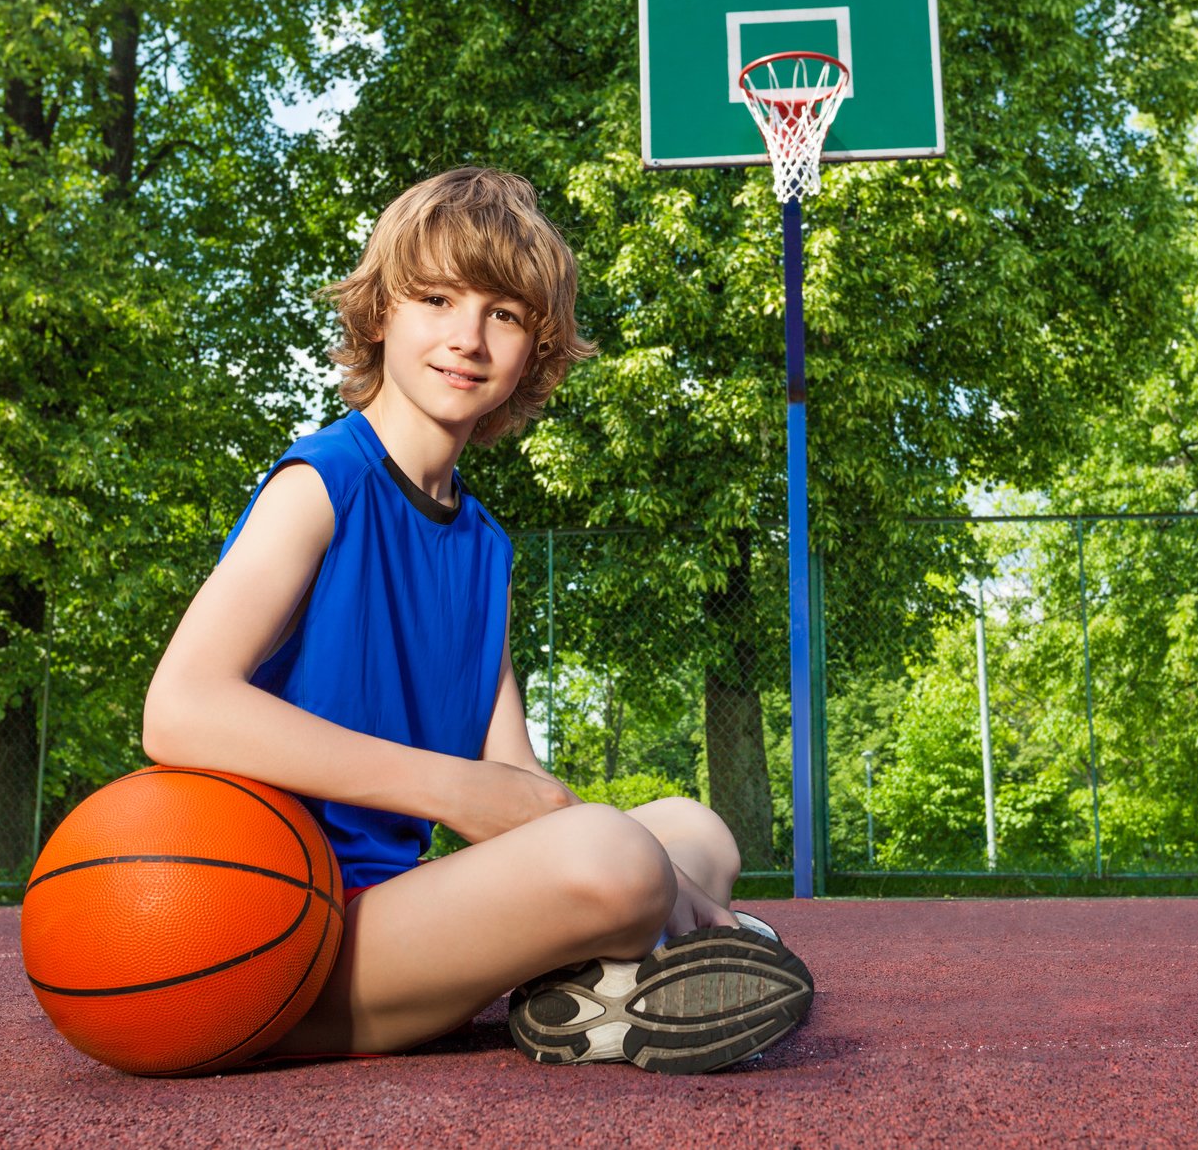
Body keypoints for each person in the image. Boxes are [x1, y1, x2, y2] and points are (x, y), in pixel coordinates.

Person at [142, 166, 813, 1074]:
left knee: (694, 829)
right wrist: (453, 794)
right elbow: (177, 708)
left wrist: (672, 873)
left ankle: (594, 992)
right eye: (437, 299)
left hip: (403, 916)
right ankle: (613, 969)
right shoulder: (320, 485)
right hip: (280, 929)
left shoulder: (485, 546)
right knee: (618, 857)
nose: (467, 336)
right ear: (380, 313)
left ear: (535, 349)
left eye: (503, 313)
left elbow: (511, 775)